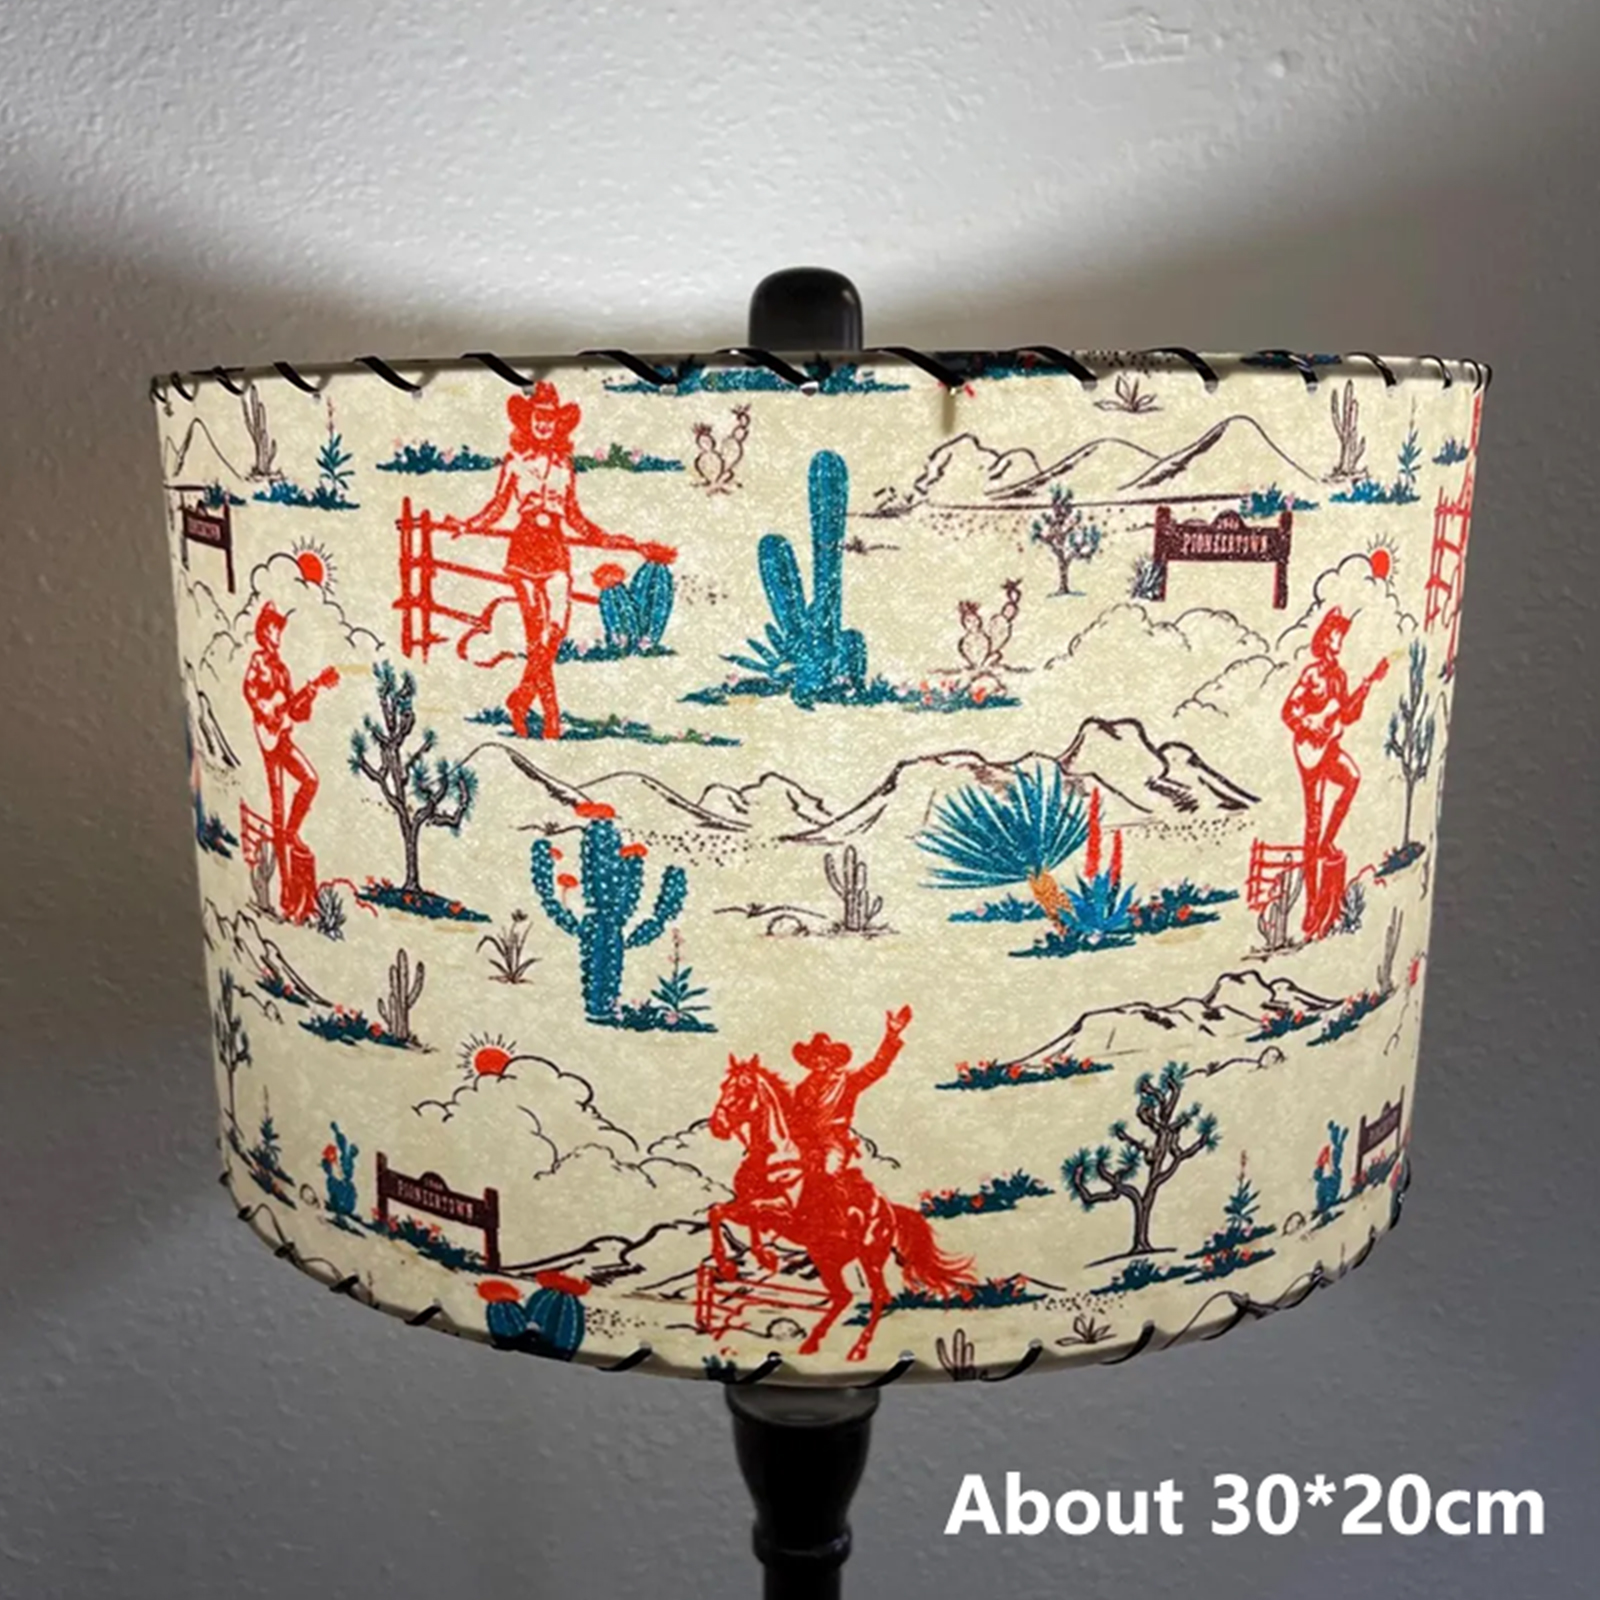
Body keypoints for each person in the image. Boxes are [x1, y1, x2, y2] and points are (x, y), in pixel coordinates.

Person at [443, 382, 675, 740]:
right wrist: (467, 525)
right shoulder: (515, 463)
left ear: (557, 425)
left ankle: (521, 698)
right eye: (538, 417)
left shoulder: (564, 467)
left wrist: (620, 542)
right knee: (536, 637)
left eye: (549, 419)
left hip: (554, 549)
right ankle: (551, 719)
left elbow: (576, 519)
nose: (543, 424)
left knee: (555, 632)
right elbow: (498, 506)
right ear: (528, 420)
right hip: (523, 550)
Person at [1281, 609, 1388, 939]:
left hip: (1330, 748)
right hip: (1310, 752)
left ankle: (1329, 842)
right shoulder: (1312, 675)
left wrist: (1368, 685)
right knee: (1312, 824)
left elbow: (1347, 714)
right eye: (1338, 633)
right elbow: (1289, 711)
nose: (1341, 639)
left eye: (1342, 634)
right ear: (1327, 638)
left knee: (1352, 779)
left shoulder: (1339, 677)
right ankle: (1312, 904)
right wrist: (1309, 726)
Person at [242, 602, 337, 919]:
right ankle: (284, 893)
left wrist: (312, 691)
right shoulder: (259, 662)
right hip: (269, 739)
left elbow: (296, 712)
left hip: (282, 738)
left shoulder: (282, 670)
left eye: (279, 629)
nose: (277, 634)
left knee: (310, 780)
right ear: (263, 631)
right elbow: (250, 692)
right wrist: (267, 714)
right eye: (273, 628)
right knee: (277, 807)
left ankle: (292, 831)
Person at [787, 1006, 912, 1233]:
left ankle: (839, 1223)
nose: (819, 1060)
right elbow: (793, 1120)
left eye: (824, 1056)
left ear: (833, 1059)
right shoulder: (802, 1088)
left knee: (827, 1174)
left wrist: (891, 1035)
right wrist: (801, 1141)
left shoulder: (847, 1081)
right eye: (814, 1057)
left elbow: (876, 1067)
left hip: (833, 1140)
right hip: (805, 1144)